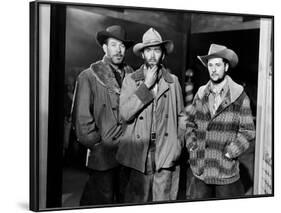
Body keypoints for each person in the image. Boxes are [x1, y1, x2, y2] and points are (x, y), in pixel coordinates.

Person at [116, 28, 186, 203]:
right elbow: (125, 114)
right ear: (142, 54)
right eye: (148, 50)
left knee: (163, 198)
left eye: (156, 50)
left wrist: (178, 144)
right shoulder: (131, 80)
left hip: (165, 148)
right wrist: (146, 86)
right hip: (140, 150)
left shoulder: (173, 81)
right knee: (137, 199)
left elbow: (181, 116)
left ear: (162, 54)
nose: (152, 55)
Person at [72, 25, 134, 205]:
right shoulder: (89, 76)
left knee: (124, 201)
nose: (119, 50)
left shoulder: (131, 75)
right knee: (101, 201)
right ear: (105, 48)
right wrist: (98, 144)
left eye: (122, 46)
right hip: (103, 155)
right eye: (114, 45)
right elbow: (82, 121)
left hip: (127, 154)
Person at [185, 44, 256, 199]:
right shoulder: (201, 94)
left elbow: (248, 131)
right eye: (210, 65)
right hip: (201, 169)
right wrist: (192, 145)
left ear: (226, 66)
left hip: (225, 171)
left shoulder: (239, 96)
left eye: (218, 65)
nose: (214, 69)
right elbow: (190, 124)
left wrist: (232, 152)